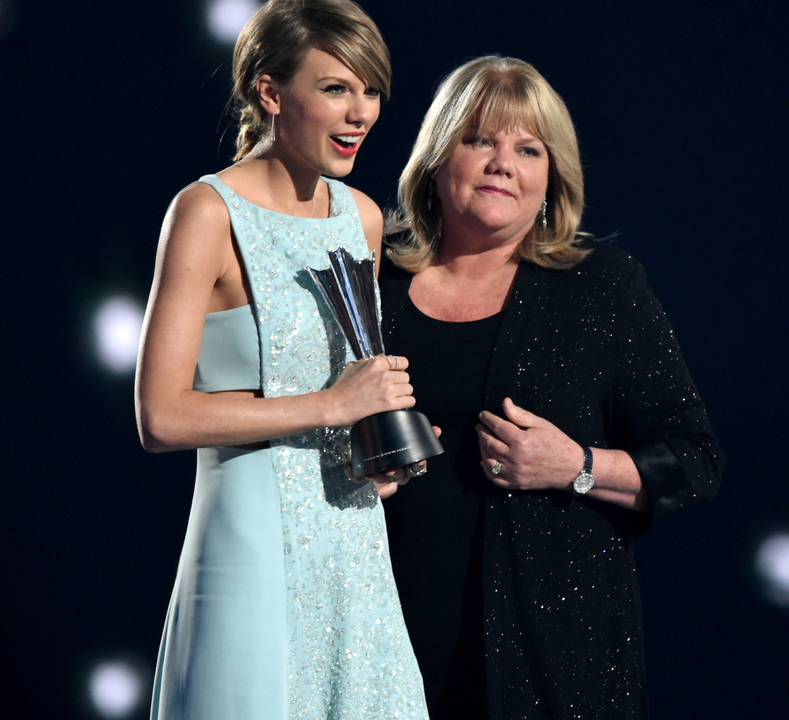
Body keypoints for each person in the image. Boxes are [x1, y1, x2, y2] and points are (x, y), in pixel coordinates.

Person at [379, 55, 724, 719]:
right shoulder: (374, 282)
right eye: (479, 139)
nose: (501, 163)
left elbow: (696, 460)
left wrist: (578, 467)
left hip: (552, 669)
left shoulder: (601, 288)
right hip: (382, 651)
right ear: (436, 157)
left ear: (551, 176)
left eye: (527, 148)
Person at [135, 1, 429, 717]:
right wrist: (334, 407)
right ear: (269, 92)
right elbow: (160, 415)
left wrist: (373, 450)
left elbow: (350, 389)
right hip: (248, 540)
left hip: (353, 538)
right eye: (336, 89)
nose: (360, 112)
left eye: (371, 90)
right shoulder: (206, 213)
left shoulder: (359, 216)